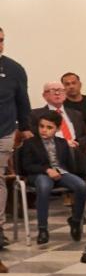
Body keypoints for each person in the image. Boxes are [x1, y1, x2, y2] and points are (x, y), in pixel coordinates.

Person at [19, 110, 86, 244]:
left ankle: (75, 220)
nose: (44, 130)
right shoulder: (30, 143)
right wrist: (47, 170)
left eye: (49, 127)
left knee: (81, 185)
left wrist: (67, 173)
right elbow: (27, 165)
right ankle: (43, 229)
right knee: (44, 187)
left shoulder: (62, 142)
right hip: (39, 174)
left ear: (57, 129)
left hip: (60, 173)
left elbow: (67, 164)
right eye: (41, 126)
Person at [0, 27, 30, 251]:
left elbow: (22, 101)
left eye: (1, 40)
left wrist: (25, 127)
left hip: (4, 131)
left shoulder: (14, 69)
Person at [32, 81, 86, 153]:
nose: (57, 93)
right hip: (50, 153)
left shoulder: (76, 114)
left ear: (65, 94)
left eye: (60, 90)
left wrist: (77, 143)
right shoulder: (35, 115)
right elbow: (35, 138)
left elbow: (85, 136)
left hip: (76, 152)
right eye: (53, 90)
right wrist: (63, 144)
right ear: (44, 95)